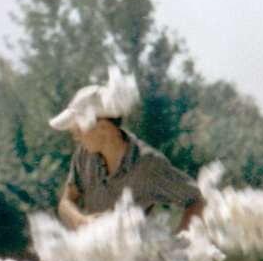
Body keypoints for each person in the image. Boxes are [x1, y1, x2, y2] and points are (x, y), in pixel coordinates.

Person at [52, 66, 205, 233]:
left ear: (103, 127)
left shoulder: (147, 163)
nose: (76, 137)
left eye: (78, 130)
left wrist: (177, 244)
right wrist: (81, 221)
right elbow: (66, 201)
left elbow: (197, 201)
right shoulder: (84, 156)